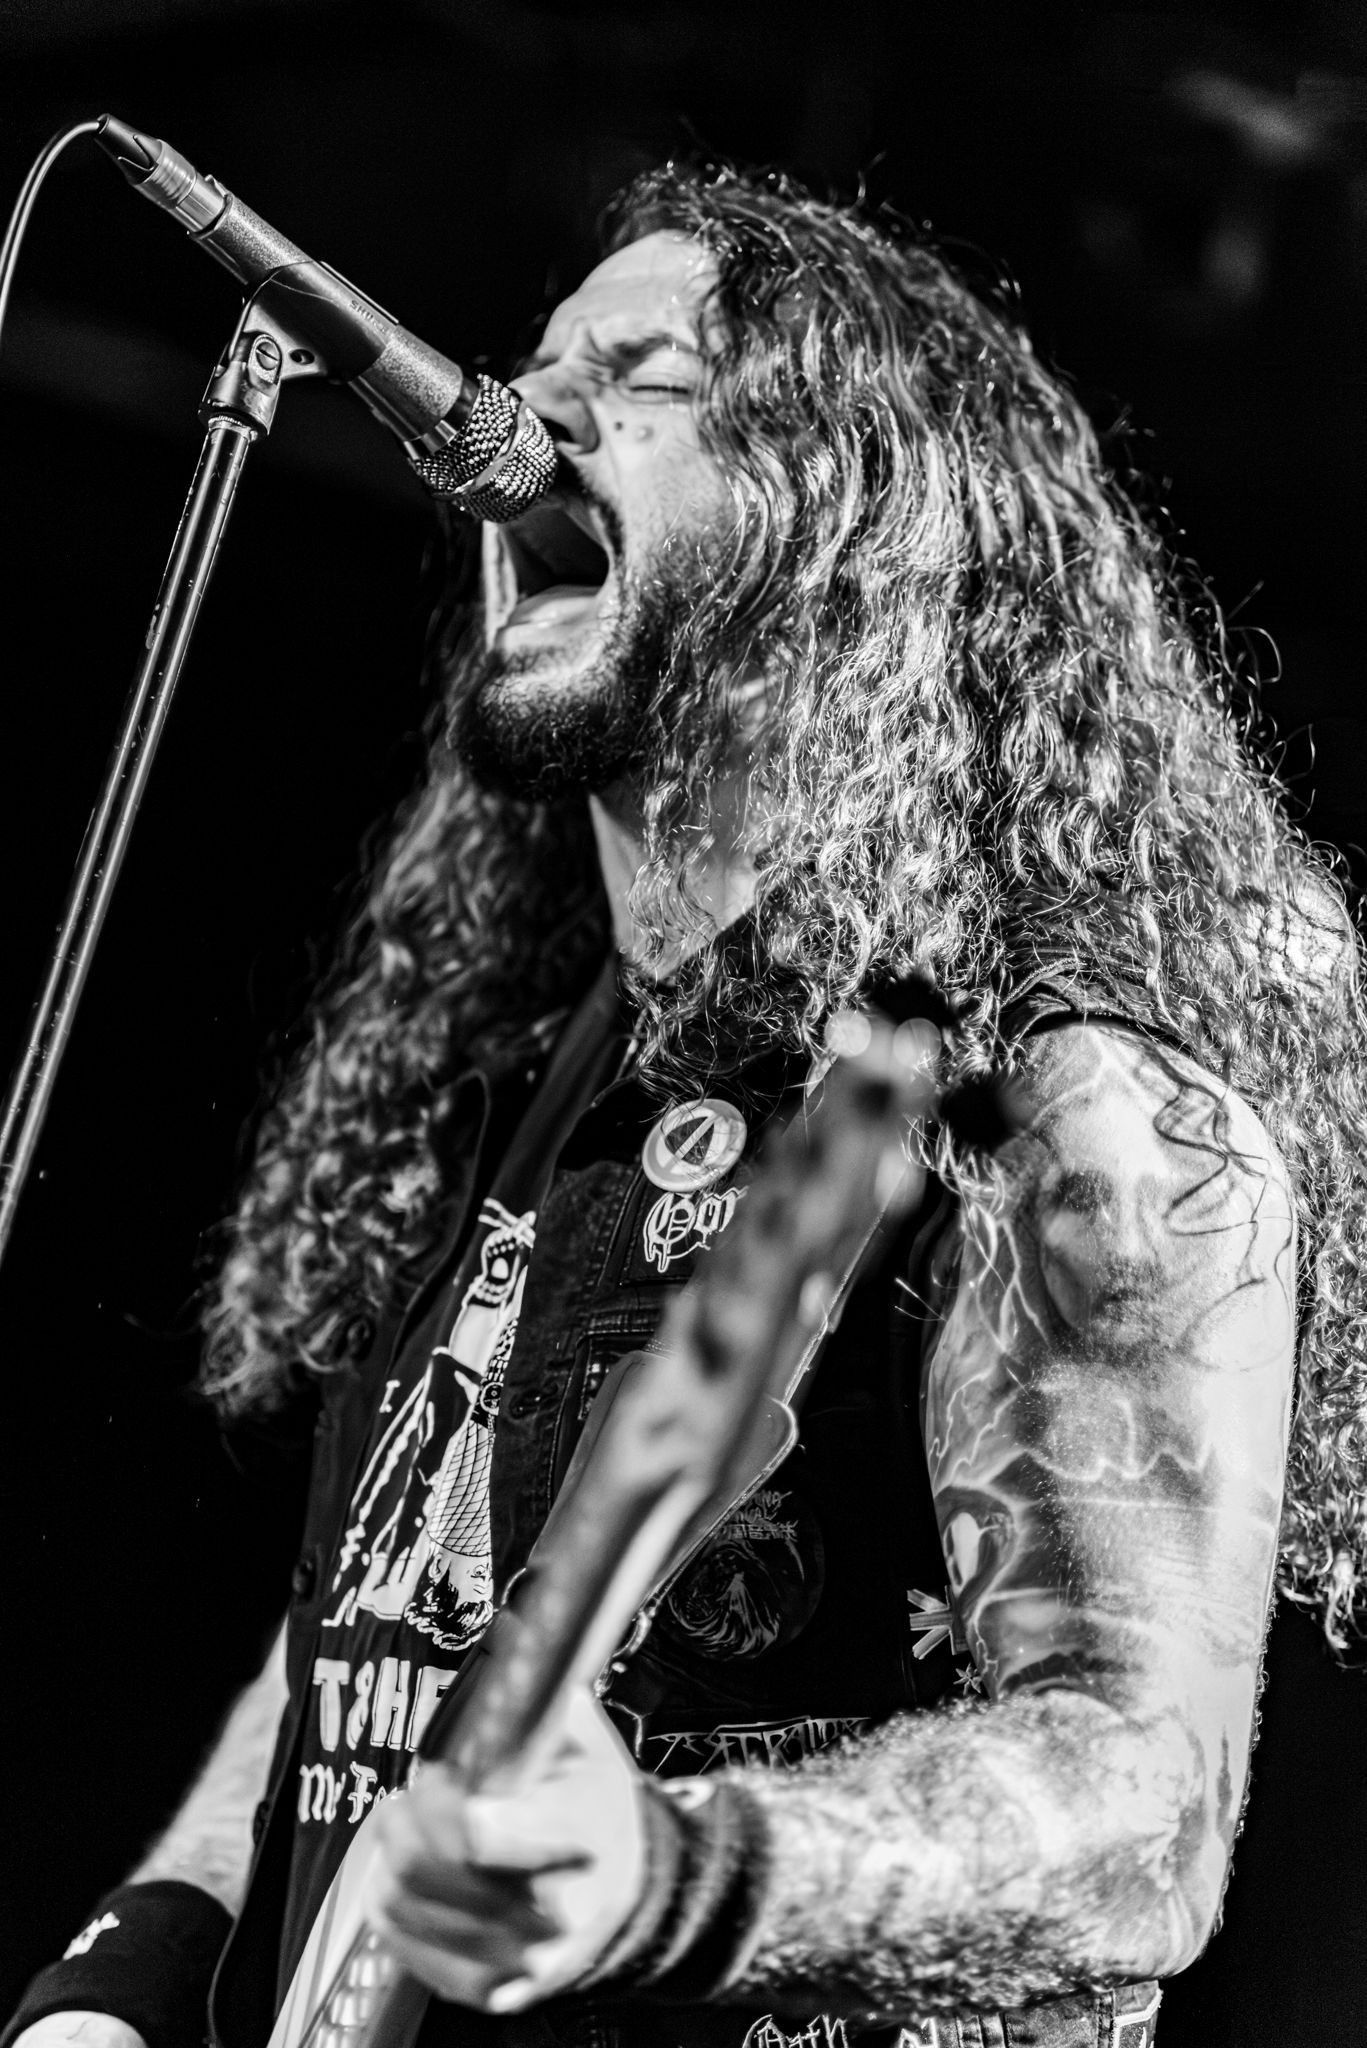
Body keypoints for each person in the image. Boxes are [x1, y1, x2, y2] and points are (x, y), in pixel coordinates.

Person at [7, 162, 1367, 2048]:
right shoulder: (522, 1078)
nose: (523, 410)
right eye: (540, 361)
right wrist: (135, 1964)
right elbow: (368, 1637)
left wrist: (671, 1875)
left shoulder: (1067, 1104)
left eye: (647, 376)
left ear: (854, 524)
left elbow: (1143, 1812)